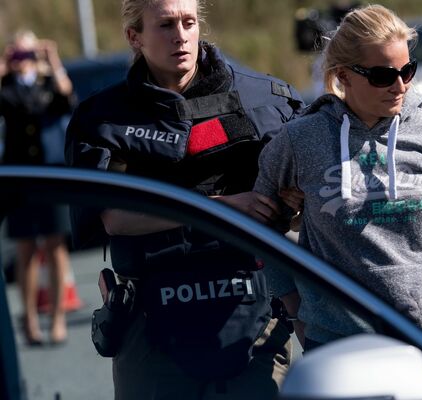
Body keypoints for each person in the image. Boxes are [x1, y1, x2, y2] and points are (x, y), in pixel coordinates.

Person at [64, 0, 304, 398]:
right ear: (134, 36)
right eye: (165, 25)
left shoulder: (267, 99)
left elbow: (308, 203)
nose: (180, 35)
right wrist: (224, 206)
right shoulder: (104, 118)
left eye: (188, 22)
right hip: (150, 317)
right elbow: (114, 217)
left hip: (253, 308)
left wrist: (292, 202)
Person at [254, 4, 422, 353]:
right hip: (337, 345)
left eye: (407, 71)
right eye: (382, 75)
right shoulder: (299, 140)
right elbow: (261, 233)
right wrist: (299, 314)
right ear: (344, 75)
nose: (399, 85)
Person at [0, 30, 76, 346]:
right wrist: (3, 67)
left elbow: (67, 97)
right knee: (25, 249)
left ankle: (57, 317)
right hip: (20, 176)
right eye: (18, 55)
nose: (23, 61)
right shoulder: (7, 88)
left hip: (51, 174)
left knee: (56, 247)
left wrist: (52, 60)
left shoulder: (48, 84)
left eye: (28, 54)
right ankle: (29, 319)